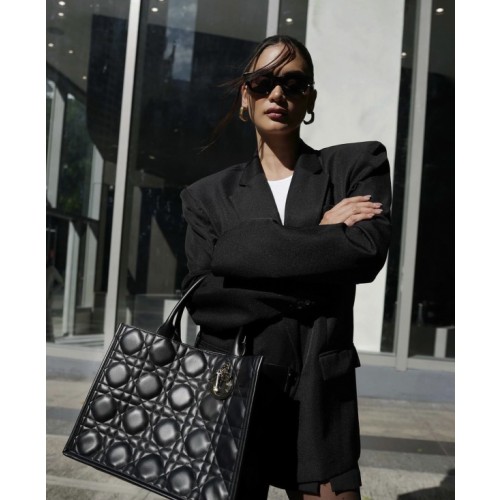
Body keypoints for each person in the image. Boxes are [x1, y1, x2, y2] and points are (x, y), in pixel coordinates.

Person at [180, 35, 391, 500]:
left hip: (319, 391)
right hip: (234, 385)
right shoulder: (207, 195)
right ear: (246, 94)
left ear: (310, 98)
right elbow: (206, 298)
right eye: (263, 82)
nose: (277, 93)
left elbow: (364, 252)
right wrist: (322, 233)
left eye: (293, 84)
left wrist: (244, 254)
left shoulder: (355, 166)